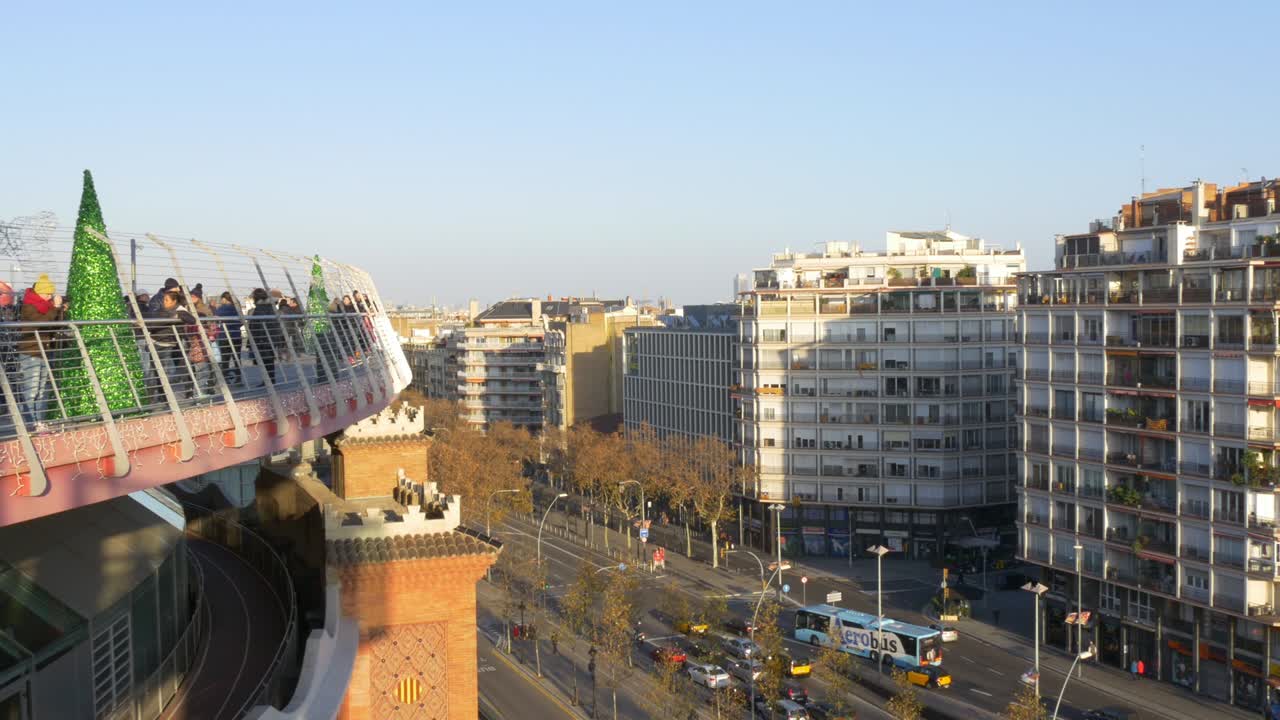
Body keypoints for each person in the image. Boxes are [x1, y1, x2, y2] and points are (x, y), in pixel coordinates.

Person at [16, 274, 59, 426]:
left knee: (41, 390)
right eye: (47, 294)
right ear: (39, 293)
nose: (49, 296)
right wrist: (55, 308)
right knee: (32, 389)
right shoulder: (29, 306)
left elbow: (54, 324)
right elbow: (41, 322)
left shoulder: (47, 307)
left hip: (44, 351)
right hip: (31, 351)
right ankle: (31, 423)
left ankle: (39, 421)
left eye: (51, 294)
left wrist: (59, 310)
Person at [248, 288, 284, 385]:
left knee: (264, 361)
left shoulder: (259, 309)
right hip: (271, 338)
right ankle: (271, 379)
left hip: (261, 339)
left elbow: (255, 325)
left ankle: (268, 380)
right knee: (269, 360)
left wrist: (251, 341)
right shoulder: (272, 308)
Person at [214, 292, 243, 385]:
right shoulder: (237, 309)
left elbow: (216, 320)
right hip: (236, 336)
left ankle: (225, 379)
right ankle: (239, 379)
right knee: (237, 358)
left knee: (225, 359)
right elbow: (241, 322)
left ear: (225, 299)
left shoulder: (220, 309)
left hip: (224, 336)